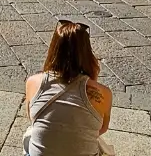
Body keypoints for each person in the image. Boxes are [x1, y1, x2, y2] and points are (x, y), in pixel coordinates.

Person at [24, 20, 113, 156]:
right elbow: (101, 129)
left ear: (54, 49)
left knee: (29, 134)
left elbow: (32, 118)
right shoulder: (103, 93)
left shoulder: (33, 82)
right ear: (87, 52)